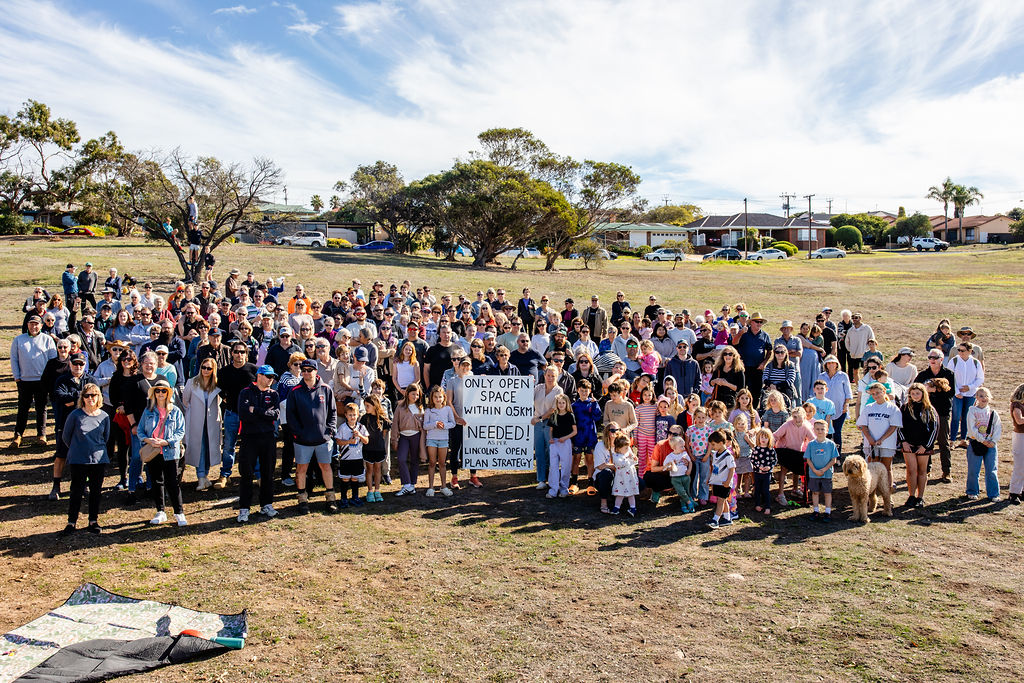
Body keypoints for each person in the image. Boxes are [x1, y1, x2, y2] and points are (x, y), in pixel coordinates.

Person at [287, 359, 337, 513]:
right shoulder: (295, 391)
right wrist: (298, 434)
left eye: (309, 370)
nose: (306, 373)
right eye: (304, 370)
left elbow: (333, 412)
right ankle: (302, 500)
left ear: (316, 371)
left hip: (323, 438)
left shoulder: (326, 389)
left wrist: (329, 431)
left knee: (326, 466)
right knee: (301, 468)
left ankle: (331, 498)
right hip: (302, 440)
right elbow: (290, 416)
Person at [61, 383, 109, 535]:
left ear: (98, 397)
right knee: (76, 491)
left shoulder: (104, 416)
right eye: (87, 395)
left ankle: (93, 521)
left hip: (98, 460)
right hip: (78, 459)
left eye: (93, 395)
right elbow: (66, 436)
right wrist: (77, 448)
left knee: (96, 491)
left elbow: (106, 437)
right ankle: (71, 522)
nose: (90, 398)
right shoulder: (75, 415)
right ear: (82, 398)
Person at [138, 377, 187, 526]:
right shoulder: (148, 411)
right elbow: (140, 430)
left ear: (168, 393)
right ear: (154, 393)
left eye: (163, 391)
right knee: (156, 482)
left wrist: (167, 442)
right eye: (157, 391)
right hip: (153, 451)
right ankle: (160, 511)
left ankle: (179, 512)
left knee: (173, 482)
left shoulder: (175, 411)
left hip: (170, 451)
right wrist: (148, 440)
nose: (160, 393)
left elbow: (180, 431)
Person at [236, 365, 280, 521]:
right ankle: (244, 508)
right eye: (268, 376)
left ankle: (266, 504)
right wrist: (264, 413)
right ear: (259, 376)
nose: (271, 380)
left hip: (268, 437)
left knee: (268, 472)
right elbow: (243, 414)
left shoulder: (273, 394)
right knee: (246, 473)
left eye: (272, 377)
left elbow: (275, 415)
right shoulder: (246, 392)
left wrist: (256, 410)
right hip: (249, 437)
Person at [51, 355, 95, 500]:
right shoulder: (61, 380)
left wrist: (74, 398)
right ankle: (56, 486)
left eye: (81, 364)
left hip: (87, 424)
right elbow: (61, 398)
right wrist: (82, 396)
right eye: (75, 364)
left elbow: (95, 400)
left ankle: (85, 484)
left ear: (85, 365)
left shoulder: (91, 380)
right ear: (70, 364)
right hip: (65, 423)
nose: (78, 367)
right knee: (61, 455)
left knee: (86, 455)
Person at [215, 342, 258, 489]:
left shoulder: (254, 370)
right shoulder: (224, 371)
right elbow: (219, 388)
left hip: (250, 415)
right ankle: (225, 474)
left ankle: (258, 474)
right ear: (232, 353)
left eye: (242, 352)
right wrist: (225, 398)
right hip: (232, 412)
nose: (239, 355)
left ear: (246, 354)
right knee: (229, 445)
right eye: (236, 352)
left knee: (253, 444)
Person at [10, 315, 57, 449]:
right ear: (27, 325)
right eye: (31, 324)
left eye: (36, 324)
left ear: (41, 326)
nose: (34, 326)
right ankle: (18, 435)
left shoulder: (47, 339)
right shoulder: (18, 340)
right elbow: (14, 358)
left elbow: (52, 360)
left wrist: (48, 378)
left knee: (41, 408)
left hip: (41, 381)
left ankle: (41, 435)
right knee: (23, 408)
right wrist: (17, 376)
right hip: (24, 380)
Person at [181, 360, 222, 491]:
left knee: (210, 448)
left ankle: (205, 476)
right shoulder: (192, 382)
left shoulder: (216, 384)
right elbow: (185, 401)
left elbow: (219, 401)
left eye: (209, 368)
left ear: (213, 370)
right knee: (199, 448)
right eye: (203, 367)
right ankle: (200, 477)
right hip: (196, 420)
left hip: (211, 421)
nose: (205, 370)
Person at [916, 349, 955, 481]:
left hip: (942, 412)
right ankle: (926, 470)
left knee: (943, 442)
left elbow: (952, 393)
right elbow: (915, 390)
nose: (932, 360)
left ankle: (946, 471)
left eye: (935, 357)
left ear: (941, 359)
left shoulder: (948, 374)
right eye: (930, 357)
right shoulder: (923, 375)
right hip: (926, 412)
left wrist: (934, 390)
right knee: (927, 442)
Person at [857, 382, 903, 488]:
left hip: (887, 443)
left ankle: (888, 490)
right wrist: (870, 438)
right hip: (871, 443)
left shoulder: (893, 408)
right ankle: (873, 491)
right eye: (873, 394)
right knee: (872, 467)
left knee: (886, 467)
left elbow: (893, 426)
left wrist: (882, 439)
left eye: (878, 393)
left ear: (884, 391)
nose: (875, 396)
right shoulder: (868, 407)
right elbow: (863, 425)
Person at [900, 382, 938, 508]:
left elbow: (934, 429)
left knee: (922, 471)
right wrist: (903, 442)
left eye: (918, 393)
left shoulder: (929, 409)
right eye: (913, 393)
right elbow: (899, 426)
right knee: (911, 470)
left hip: (923, 446)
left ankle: (920, 497)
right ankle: (911, 495)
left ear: (923, 394)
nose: (915, 396)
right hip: (909, 445)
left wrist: (926, 446)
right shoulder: (905, 408)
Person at [772, 406, 815, 507]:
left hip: (797, 451)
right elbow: (775, 435)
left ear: (804, 416)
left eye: (799, 417)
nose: (797, 419)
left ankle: (795, 489)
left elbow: (813, 439)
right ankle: (780, 494)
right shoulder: (787, 425)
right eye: (795, 417)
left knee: (797, 470)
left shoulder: (806, 426)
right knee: (784, 470)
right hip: (785, 450)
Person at [965, 387, 1001, 501]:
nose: (984, 398)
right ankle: (972, 491)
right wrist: (982, 440)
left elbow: (998, 428)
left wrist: (993, 441)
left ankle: (994, 494)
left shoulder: (993, 413)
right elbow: (971, 429)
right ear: (976, 397)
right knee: (973, 469)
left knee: (991, 470)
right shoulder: (972, 411)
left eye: (986, 396)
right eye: (981, 396)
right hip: (976, 443)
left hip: (991, 444)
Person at [946, 341, 984, 447]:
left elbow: (980, 378)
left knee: (966, 417)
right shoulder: (954, 361)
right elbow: (949, 378)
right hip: (956, 394)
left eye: (962, 350)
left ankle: (963, 439)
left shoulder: (975, 363)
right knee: (956, 416)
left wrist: (970, 387)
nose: (960, 352)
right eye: (959, 350)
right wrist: (956, 391)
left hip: (970, 394)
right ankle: (952, 440)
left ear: (970, 351)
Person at [391, 383, 426, 496]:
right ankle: (406, 484)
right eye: (413, 394)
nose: (415, 396)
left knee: (414, 460)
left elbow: (423, 425)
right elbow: (395, 423)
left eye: (417, 394)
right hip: (403, 436)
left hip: (416, 436)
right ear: (407, 394)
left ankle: (412, 485)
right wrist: (394, 439)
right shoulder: (400, 407)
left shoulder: (420, 407)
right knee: (401, 459)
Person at [731, 311, 772, 406]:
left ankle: (753, 411)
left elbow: (770, 350)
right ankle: (739, 409)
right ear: (751, 322)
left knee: (756, 393)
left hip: (758, 368)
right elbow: (734, 342)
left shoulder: (765, 335)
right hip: (744, 367)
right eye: (757, 321)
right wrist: (740, 333)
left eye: (761, 322)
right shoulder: (744, 333)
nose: (759, 324)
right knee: (741, 391)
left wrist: (764, 363)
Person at [532, 366, 564, 490]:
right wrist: (528, 383)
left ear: (557, 377)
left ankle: (553, 479)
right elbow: (527, 397)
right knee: (539, 452)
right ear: (544, 376)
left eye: (553, 376)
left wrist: (540, 418)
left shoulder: (558, 390)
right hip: (537, 424)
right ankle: (541, 479)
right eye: (548, 375)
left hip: (551, 424)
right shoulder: (538, 388)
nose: (550, 378)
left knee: (552, 452)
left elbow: (553, 409)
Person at [422, 385, 456, 497]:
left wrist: (444, 425)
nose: (438, 399)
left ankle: (443, 486)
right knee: (432, 462)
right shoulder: (428, 411)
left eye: (440, 397)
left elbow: (453, 423)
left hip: (443, 439)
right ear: (431, 398)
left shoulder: (447, 409)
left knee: (442, 463)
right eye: (435, 397)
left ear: (443, 397)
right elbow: (425, 426)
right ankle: (431, 487)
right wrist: (435, 424)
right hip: (431, 439)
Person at [803, 419, 838, 521]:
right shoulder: (811, 444)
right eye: (817, 429)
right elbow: (808, 459)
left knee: (827, 493)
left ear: (827, 430)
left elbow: (834, 460)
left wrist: (823, 470)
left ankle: (827, 512)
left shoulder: (831, 444)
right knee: (815, 492)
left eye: (822, 429)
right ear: (814, 430)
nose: (820, 431)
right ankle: (816, 511)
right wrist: (814, 470)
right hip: (813, 474)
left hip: (826, 473)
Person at [335, 403, 369, 507]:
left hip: (357, 458)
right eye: (350, 415)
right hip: (345, 458)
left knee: (355, 478)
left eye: (354, 415)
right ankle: (343, 499)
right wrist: (349, 442)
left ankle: (355, 497)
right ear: (345, 415)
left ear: (358, 415)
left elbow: (366, 441)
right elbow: (338, 441)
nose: (352, 417)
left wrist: (360, 435)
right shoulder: (342, 427)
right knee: (345, 478)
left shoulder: (361, 427)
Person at [546, 394, 578, 498]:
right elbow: (551, 430)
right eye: (559, 403)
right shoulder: (554, 415)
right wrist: (551, 438)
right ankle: (553, 489)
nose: (561, 405)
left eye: (563, 403)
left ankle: (564, 488)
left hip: (565, 442)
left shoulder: (570, 416)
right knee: (554, 466)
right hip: (555, 443)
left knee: (566, 465)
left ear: (566, 403)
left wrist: (565, 438)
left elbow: (575, 431)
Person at [361, 395, 391, 502]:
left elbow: (384, 433)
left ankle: (377, 490)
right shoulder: (364, 418)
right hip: (368, 448)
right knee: (369, 469)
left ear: (374, 405)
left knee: (378, 469)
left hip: (379, 448)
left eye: (368, 406)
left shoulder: (383, 419)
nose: (366, 408)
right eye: (365, 406)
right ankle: (370, 491)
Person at [706, 430, 736, 529]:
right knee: (723, 500)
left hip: (724, 483)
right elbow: (714, 467)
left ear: (720, 443)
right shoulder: (715, 454)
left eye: (713, 444)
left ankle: (715, 520)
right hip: (717, 482)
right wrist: (710, 478)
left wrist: (728, 481)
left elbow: (732, 469)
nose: (712, 447)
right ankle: (727, 518)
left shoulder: (728, 455)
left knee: (720, 501)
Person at [749, 427, 778, 515]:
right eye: (761, 437)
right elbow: (752, 459)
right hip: (757, 473)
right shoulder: (756, 449)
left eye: (766, 437)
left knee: (766, 490)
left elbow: (774, 460)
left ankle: (767, 506)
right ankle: (757, 504)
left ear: (769, 439)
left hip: (767, 474)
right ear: (758, 438)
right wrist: (759, 466)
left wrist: (769, 467)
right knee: (757, 489)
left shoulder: (771, 450)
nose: (763, 439)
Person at [609, 434, 639, 517]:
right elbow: (623, 464)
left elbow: (633, 460)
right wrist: (630, 459)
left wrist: (634, 458)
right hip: (621, 478)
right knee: (620, 492)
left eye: (628, 447)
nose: (628, 449)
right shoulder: (616, 456)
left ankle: (633, 508)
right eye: (625, 448)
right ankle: (616, 507)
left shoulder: (627, 452)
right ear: (618, 448)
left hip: (630, 477)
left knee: (631, 492)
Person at [710, 347, 744, 411]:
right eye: (725, 354)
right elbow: (711, 383)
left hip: (731, 403)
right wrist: (716, 381)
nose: (727, 356)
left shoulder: (738, 370)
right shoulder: (718, 368)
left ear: (734, 356)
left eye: (730, 354)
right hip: (718, 402)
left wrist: (726, 384)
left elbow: (741, 388)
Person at [1007, 383, 1024, 505]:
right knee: (1020, 465)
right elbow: (1019, 420)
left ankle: (1022, 490)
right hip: (1020, 436)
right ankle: (1014, 492)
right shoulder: (1016, 405)